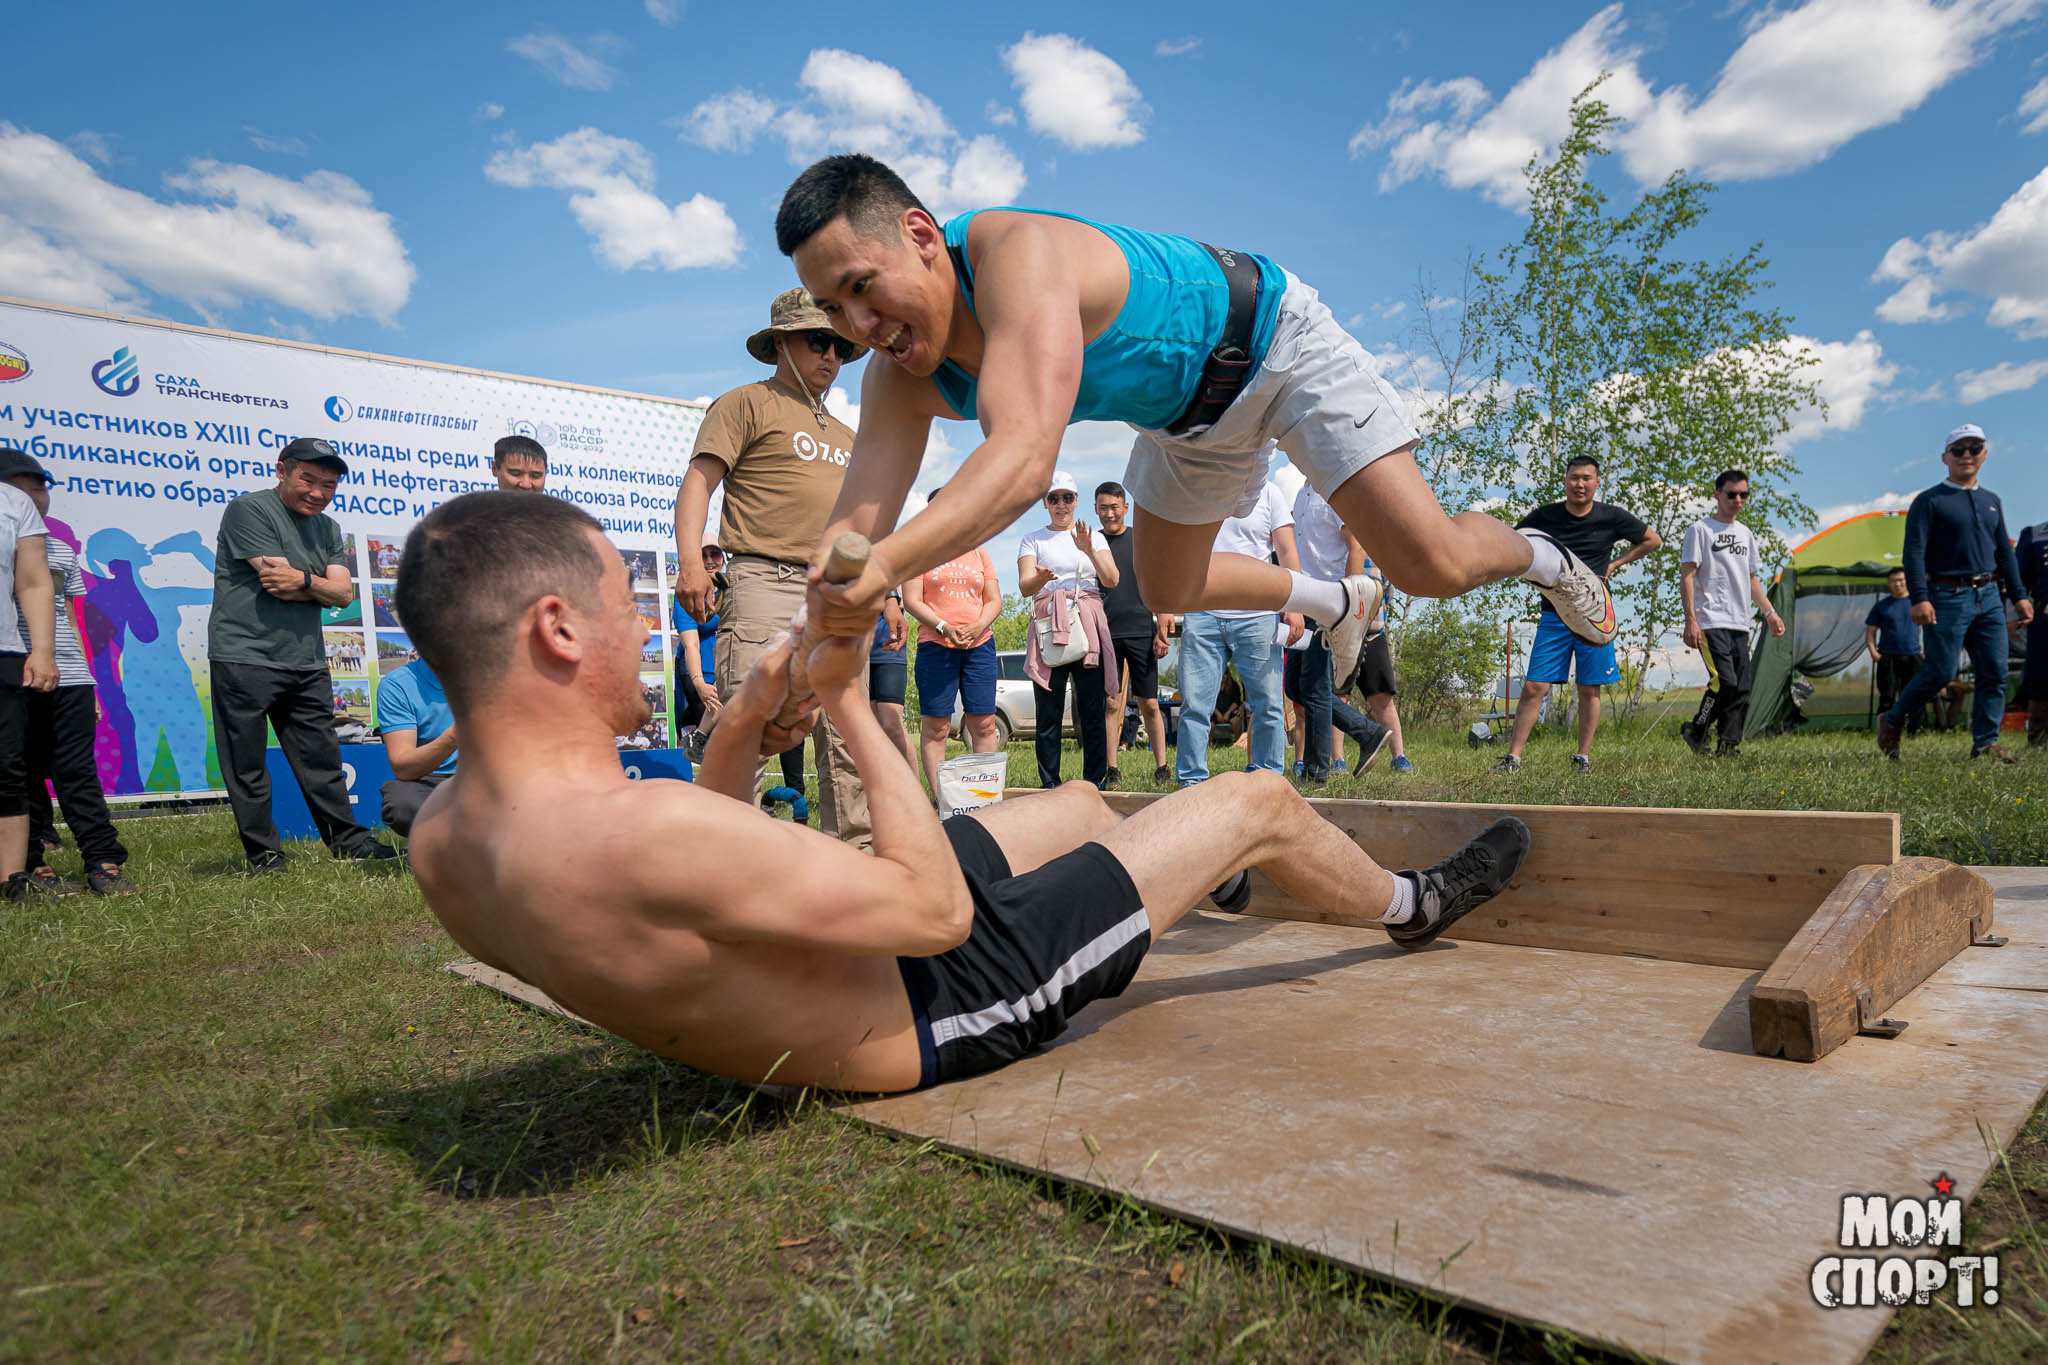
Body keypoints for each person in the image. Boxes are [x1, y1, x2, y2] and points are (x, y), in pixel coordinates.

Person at [397, 490, 1532, 1095]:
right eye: (623, 605)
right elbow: (935, 917)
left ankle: (1182, 878)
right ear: (555, 630)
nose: (648, 626)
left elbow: (705, 882)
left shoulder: (444, 840)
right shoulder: (629, 826)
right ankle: (1406, 906)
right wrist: (843, 697)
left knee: (1086, 804)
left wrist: (745, 716)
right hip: (937, 1007)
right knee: (1253, 796)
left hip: (848, 955)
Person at [774, 155, 1620, 704]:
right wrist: (803, 648)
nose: (856, 324)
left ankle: (1550, 556)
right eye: (833, 308)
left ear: (921, 236)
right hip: (1185, 421)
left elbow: (1025, 458)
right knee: (1171, 587)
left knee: (1431, 564)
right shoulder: (898, 375)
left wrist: (881, 569)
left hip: (1272, 343)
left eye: (861, 286)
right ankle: (1336, 600)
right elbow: (853, 528)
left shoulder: (1015, 255)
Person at [672, 288, 871, 847]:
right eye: (817, 340)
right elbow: (698, 485)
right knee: (746, 726)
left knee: (849, 736)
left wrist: (892, 593)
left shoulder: (849, 434)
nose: (830, 353)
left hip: (837, 593)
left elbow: (862, 521)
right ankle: (730, 867)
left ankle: (853, 859)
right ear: (781, 342)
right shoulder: (745, 403)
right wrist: (691, 562)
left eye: (838, 343)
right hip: (764, 581)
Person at [208, 438, 398, 872]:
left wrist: (306, 581)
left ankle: (349, 842)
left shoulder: (328, 529)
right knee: (247, 763)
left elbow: (343, 593)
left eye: (328, 485)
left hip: (306, 660)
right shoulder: (249, 510)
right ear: (282, 470)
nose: (317, 492)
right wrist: (318, 584)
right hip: (244, 653)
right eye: (308, 479)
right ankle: (264, 853)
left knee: (322, 759)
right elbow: (275, 578)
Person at [1, 451, 136, 896]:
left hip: (69, 675)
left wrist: (89, 680)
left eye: (40, 488)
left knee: (76, 769)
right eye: (22, 488)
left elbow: (69, 616)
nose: (34, 497)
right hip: (15, 669)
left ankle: (103, 858)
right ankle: (33, 862)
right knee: (19, 769)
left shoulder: (60, 551)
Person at [1493, 457, 1661, 774]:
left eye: (1586, 478)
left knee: (1589, 688)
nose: (1579, 484)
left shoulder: (1611, 516)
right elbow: (1512, 543)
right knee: (1534, 688)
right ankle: (1513, 759)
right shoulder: (1545, 516)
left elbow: (1653, 540)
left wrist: (1613, 566)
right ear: (1565, 481)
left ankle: (1582, 757)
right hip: (1554, 614)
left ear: (1597, 482)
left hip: (1595, 616)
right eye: (1574, 478)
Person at [1878, 424, 2035, 762]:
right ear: (1945, 457)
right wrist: (1919, 597)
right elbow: (1914, 552)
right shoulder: (1929, 501)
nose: (1967, 455)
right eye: (1959, 449)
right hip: (1946, 595)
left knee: (1993, 670)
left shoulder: (1992, 501)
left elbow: (2004, 553)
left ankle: (1985, 742)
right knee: (1941, 672)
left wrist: (2019, 595)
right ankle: (1891, 721)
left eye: (1974, 448)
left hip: (1990, 595)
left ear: (1985, 455)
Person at [1174, 479, 1299, 785]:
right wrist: (1166, 604)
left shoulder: (1269, 493)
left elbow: (1285, 549)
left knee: (1268, 704)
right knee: (1194, 705)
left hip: (1257, 614)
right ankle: (1192, 783)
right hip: (1202, 611)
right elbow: (1177, 546)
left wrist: (1295, 603)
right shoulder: (1198, 488)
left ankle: (1267, 782)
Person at [1286, 480, 1396, 782]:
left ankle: (1316, 772)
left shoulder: (1334, 491)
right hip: (1302, 598)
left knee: (1315, 687)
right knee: (1295, 687)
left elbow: (1356, 547)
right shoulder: (1302, 493)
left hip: (1328, 601)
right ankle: (1368, 732)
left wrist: (1347, 603)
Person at [1019, 471, 1119, 789]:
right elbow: (1024, 586)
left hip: (1087, 623)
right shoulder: (1032, 539)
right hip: (1050, 624)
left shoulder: (1095, 536)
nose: (1061, 504)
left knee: (1092, 709)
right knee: (1048, 710)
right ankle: (1050, 782)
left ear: (1076, 501)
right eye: (1054, 498)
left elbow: (1112, 579)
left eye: (1067, 497)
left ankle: (1095, 781)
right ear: (1045, 503)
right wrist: (1041, 578)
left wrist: (1088, 549)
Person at [902, 486, 1003, 794]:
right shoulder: (920, 551)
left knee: (984, 723)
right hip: (936, 646)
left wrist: (979, 624)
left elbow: (994, 600)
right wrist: (943, 625)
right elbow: (911, 600)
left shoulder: (978, 552)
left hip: (980, 644)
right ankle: (941, 800)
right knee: (937, 727)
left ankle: (987, 796)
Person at [1678, 470, 1785, 759]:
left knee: (1743, 689)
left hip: (1740, 622)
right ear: (1717, 494)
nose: (1738, 500)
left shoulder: (1745, 534)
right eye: (1731, 494)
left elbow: (1751, 579)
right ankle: (1697, 729)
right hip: (1710, 620)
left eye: (1743, 495)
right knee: (1725, 682)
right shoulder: (1700, 530)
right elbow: (1687, 575)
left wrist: (1770, 613)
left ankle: (1728, 745)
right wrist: (1691, 619)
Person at [0, 448, 59, 901]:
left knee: (7, 767)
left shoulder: (13, 502)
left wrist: (42, 650)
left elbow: (34, 581)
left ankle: (11, 880)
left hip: (5, 650)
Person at [1092, 482, 1172, 788]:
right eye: (1103, 507)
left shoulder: (1141, 538)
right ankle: (1111, 768)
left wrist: (1162, 621)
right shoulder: (1093, 543)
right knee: (1112, 704)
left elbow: (1160, 578)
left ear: (1125, 508)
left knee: (1149, 703)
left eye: (1114, 507)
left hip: (1142, 630)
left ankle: (1162, 766)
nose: (1109, 513)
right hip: (1106, 633)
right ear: (1096, 510)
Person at [375, 656, 457, 837]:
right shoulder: (397, 685)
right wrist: (455, 735)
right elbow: (403, 768)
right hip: (430, 780)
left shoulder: (501, 676)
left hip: (491, 776)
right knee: (403, 805)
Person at [1864, 567, 1926, 733]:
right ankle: (1884, 732)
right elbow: (1870, 633)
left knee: (1914, 696)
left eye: (1901, 580)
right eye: (1894, 581)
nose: (1898, 584)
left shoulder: (1917, 603)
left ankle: (1914, 732)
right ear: (1889, 583)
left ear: (1907, 581)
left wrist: (1926, 654)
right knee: (1887, 698)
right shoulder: (1881, 606)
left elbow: (1930, 627)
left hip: (1913, 656)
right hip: (1887, 658)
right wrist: (1874, 653)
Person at [673, 537, 724, 733]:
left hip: (725, 668)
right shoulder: (685, 593)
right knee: (709, 736)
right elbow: (691, 645)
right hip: (697, 669)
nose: (710, 560)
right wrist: (700, 683)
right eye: (703, 555)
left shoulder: (730, 587)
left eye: (715, 554)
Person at [869, 589, 916, 771]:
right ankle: (882, 794)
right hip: (856, 648)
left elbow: (903, 600)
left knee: (891, 723)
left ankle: (916, 794)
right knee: (873, 729)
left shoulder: (892, 562)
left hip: (887, 647)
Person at [2018, 513, 2048, 747]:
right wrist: (2011, 616)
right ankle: (2037, 739)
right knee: (2040, 681)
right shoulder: (2035, 534)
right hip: (2044, 619)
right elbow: (2017, 581)